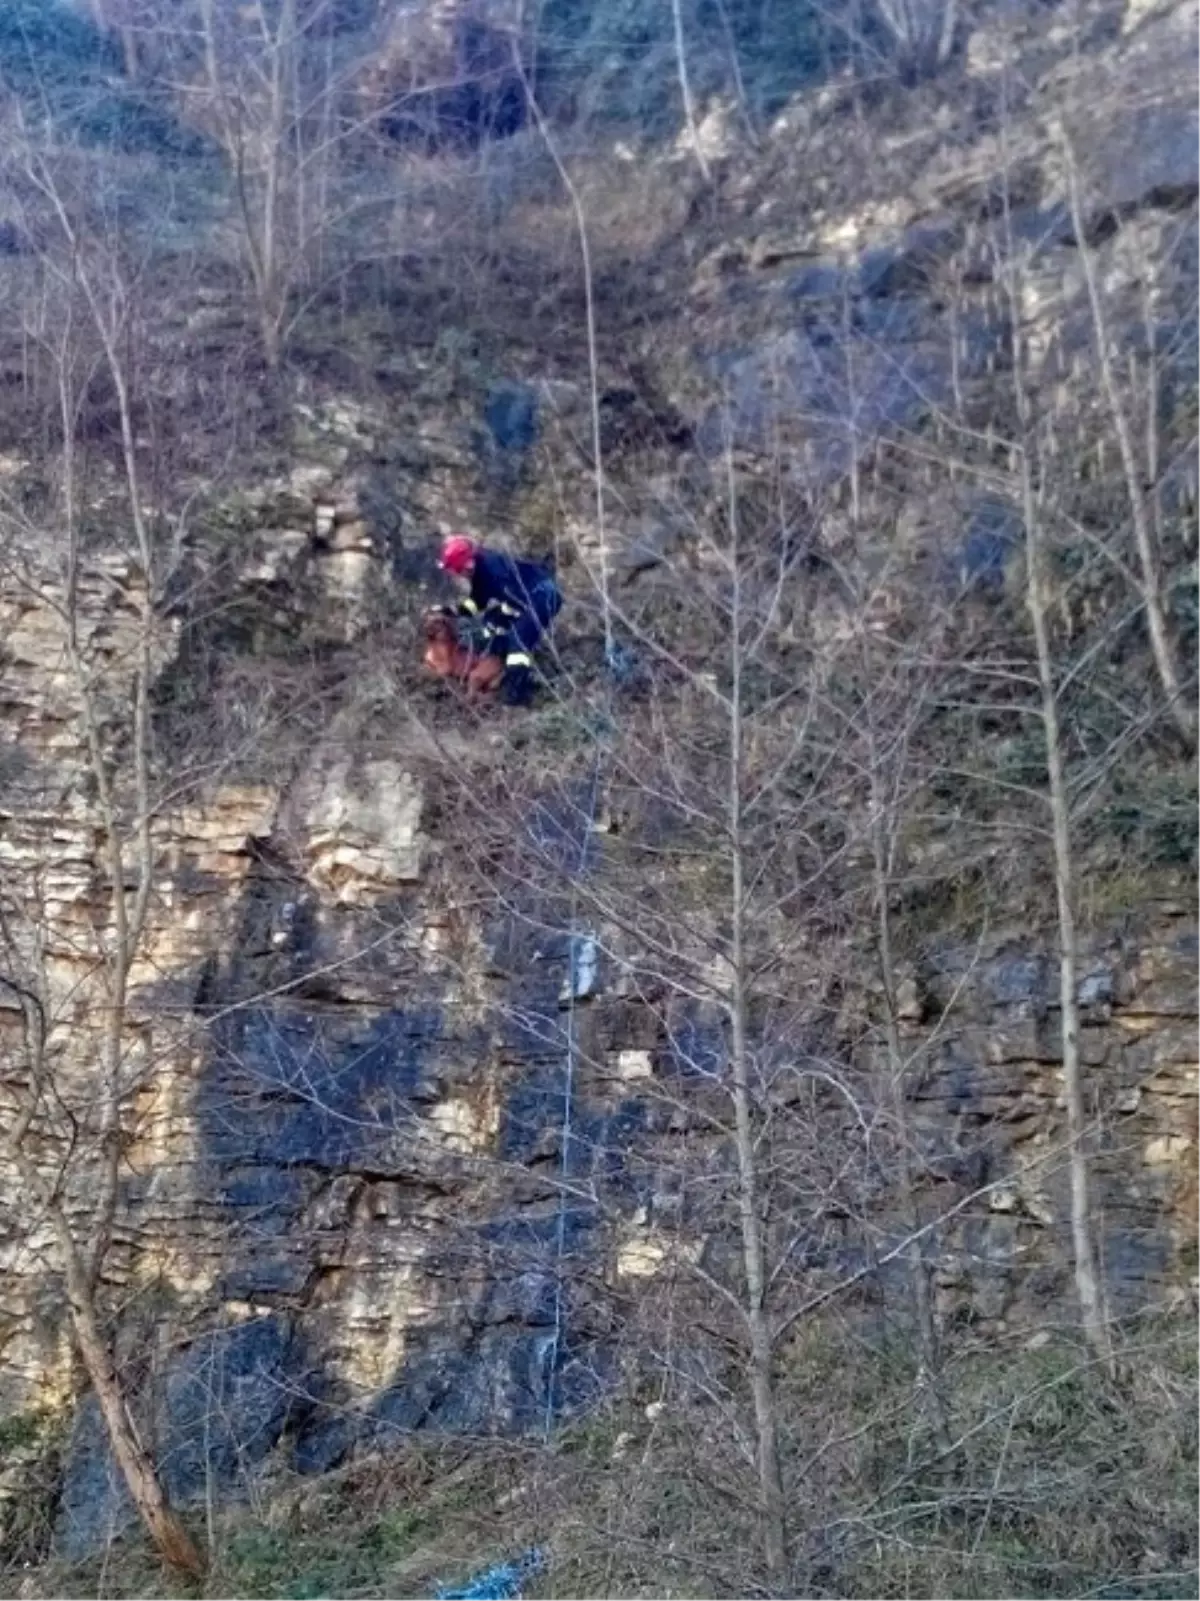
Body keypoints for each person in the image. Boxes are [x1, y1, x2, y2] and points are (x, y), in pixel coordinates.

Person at [437, 533, 562, 706]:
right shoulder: (480, 571)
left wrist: (507, 611)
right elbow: (477, 602)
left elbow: (516, 597)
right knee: (491, 624)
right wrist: (450, 611)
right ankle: (496, 671)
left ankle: (516, 695)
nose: (459, 576)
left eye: (458, 571)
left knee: (519, 640)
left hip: (542, 596)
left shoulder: (493, 569)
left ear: (466, 565)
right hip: (526, 597)